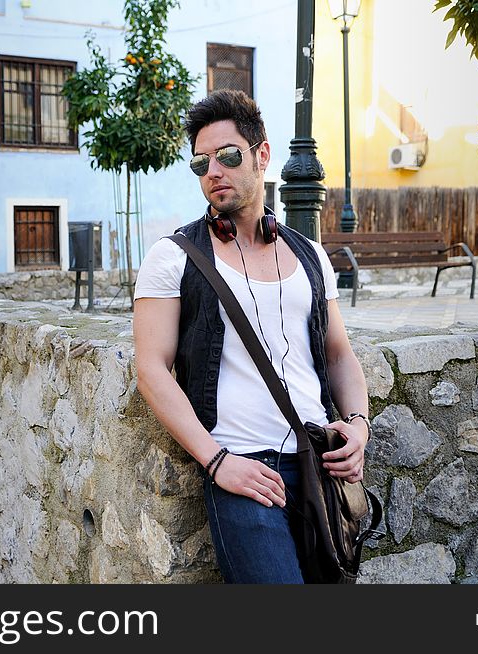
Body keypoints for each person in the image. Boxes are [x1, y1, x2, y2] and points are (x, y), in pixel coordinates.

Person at [133, 89, 370, 584]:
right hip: (242, 473)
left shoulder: (310, 254)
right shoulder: (173, 256)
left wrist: (359, 425)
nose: (213, 171)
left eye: (228, 156)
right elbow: (152, 368)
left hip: (320, 464)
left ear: (262, 155)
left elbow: (339, 354)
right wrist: (217, 462)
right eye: (201, 163)